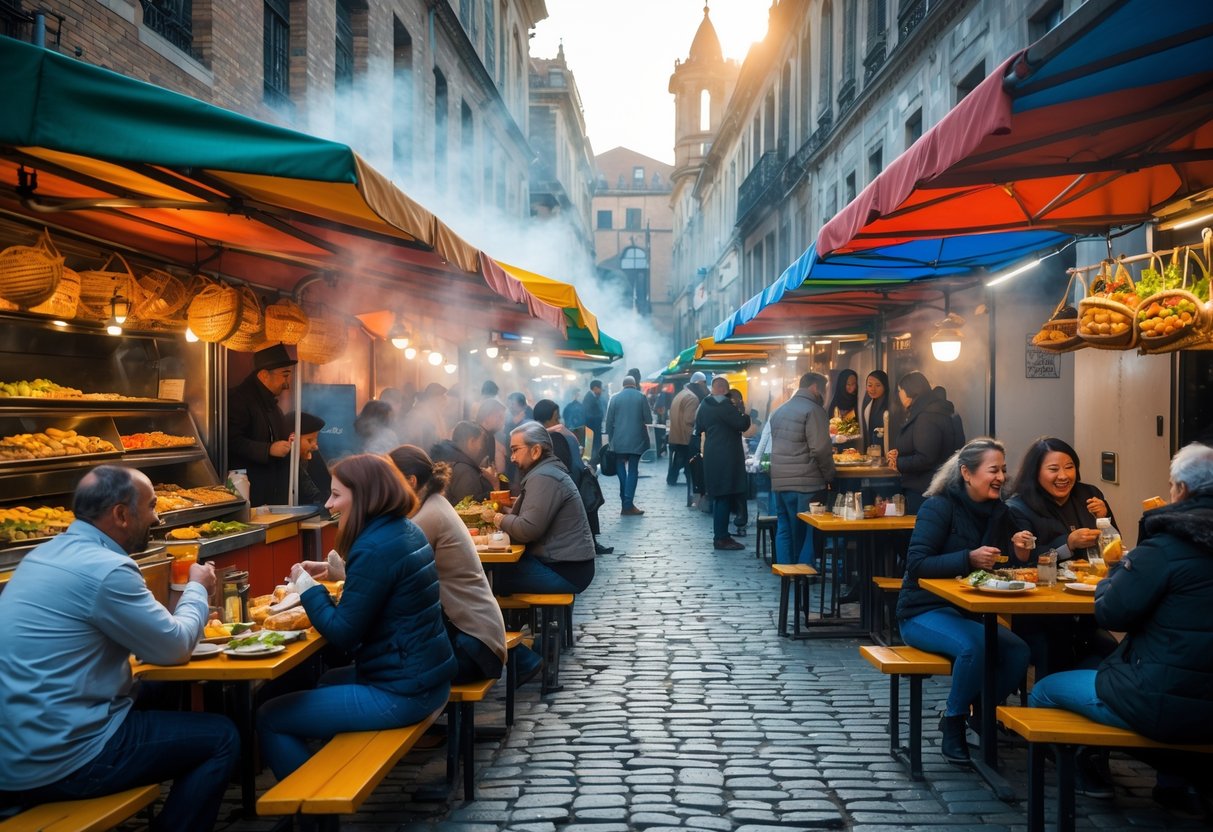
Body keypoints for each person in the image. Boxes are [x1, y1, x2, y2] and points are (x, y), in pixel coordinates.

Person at [0, 466, 238, 832]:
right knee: (221, 736)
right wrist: (197, 589)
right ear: (121, 515)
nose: (157, 518)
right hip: (62, 761)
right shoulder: (107, 568)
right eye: (152, 506)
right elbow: (174, 647)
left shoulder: (40, 556)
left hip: (15, 754)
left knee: (160, 687)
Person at [1028, 443, 1213, 814]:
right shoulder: (1024, 506)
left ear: (1180, 489)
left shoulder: (1164, 547)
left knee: (1045, 689)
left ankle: (1083, 768)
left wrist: (1116, 570)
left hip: (1162, 702)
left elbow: (1112, 612)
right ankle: (1176, 782)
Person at [261, 454, 457, 781]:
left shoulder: (375, 545)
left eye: (336, 495)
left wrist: (308, 587)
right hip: (427, 678)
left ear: (364, 495)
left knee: (269, 716)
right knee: (324, 682)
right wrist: (331, 575)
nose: (329, 503)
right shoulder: (403, 529)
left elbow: (343, 633)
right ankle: (334, 776)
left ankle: (314, 807)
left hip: (404, 693)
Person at [896, 438, 1034, 765]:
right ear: (967, 474)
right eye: (993, 470)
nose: (1001, 476)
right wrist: (967, 558)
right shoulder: (938, 507)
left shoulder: (1000, 511)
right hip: (921, 611)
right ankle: (954, 721)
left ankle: (981, 713)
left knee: (1018, 650)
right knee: (976, 647)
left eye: (1003, 469)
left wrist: (1021, 549)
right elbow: (916, 565)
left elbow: (1009, 565)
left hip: (968, 611)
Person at [480, 423, 596, 678]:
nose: (511, 457)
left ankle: (520, 658)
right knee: (489, 579)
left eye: (515, 450)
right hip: (562, 563)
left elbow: (526, 529)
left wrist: (497, 519)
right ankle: (519, 650)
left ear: (535, 451)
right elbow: (523, 519)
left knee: (482, 583)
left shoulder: (545, 478)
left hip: (565, 570)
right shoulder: (544, 473)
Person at [387, 446, 508, 684]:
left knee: (392, 671)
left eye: (389, 480)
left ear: (411, 481)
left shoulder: (429, 516)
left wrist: (341, 571)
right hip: (479, 639)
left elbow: (388, 569)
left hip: (473, 648)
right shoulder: (434, 504)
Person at [1007, 437, 1119, 678]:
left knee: (1114, 653)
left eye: (1069, 467)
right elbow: (1023, 560)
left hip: (1087, 607)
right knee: (1055, 651)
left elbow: (1114, 548)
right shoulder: (1019, 506)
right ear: (1035, 472)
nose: (1063, 476)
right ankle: (1050, 701)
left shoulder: (1089, 494)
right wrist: (1068, 544)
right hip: (1041, 615)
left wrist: (1106, 519)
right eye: (1053, 469)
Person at [767, 372, 834, 565]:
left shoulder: (779, 411)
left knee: (785, 527)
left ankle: (786, 572)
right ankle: (804, 573)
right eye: (824, 389)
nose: (825, 394)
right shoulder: (814, 410)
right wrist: (830, 475)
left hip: (780, 482)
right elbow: (820, 448)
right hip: (806, 483)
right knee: (808, 531)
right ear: (815, 387)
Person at [534, 398, 612, 555]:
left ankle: (593, 542)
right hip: (572, 480)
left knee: (588, 509)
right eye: (556, 417)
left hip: (577, 477)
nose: (559, 421)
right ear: (545, 418)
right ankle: (591, 543)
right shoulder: (550, 436)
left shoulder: (555, 434)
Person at [227, 342, 297, 505]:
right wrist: (268, 449)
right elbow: (231, 441)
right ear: (264, 375)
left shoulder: (271, 404)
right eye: (285, 375)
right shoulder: (239, 400)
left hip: (270, 493)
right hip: (249, 494)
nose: (288, 383)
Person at [887, 371, 961, 514]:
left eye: (900, 390)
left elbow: (927, 457)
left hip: (924, 489)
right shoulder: (936, 410)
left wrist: (898, 463)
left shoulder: (926, 416)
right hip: (938, 486)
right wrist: (900, 453)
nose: (899, 394)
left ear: (909, 391)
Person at [693, 376, 752, 550]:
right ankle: (721, 537)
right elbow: (742, 423)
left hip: (711, 454)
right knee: (725, 495)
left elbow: (700, 427)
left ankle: (721, 535)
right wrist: (743, 410)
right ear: (725, 390)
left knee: (719, 496)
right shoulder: (725, 406)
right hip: (727, 456)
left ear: (712, 389)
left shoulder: (704, 405)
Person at [603, 375, 652, 515]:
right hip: (637, 440)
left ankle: (625, 500)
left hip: (618, 440)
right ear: (635, 385)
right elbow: (648, 419)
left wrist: (610, 439)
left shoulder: (614, 398)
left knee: (620, 467)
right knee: (633, 470)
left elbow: (608, 422)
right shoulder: (641, 397)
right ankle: (628, 503)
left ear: (623, 385)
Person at [431, 421, 495, 504]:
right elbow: (471, 511)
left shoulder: (444, 460)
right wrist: (494, 484)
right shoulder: (465, 471)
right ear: (471, 442)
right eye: (482, 443)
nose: (482, 449)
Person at [287, 411, 331, 516]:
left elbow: (325, 487)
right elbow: (310, 493)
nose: (316, 446)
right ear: (292, 439)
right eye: (310, 440)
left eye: (316, 440)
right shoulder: (284, 463)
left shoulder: (314, 455)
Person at [667, 372, 706, 487]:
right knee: (685, 461)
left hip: (677, 436)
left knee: (679, 461)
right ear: (699, 383)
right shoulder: (692, 398)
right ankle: (690, 484)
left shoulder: (682, 394)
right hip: (685, 437)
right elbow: (689, 419)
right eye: (704, 384)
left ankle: (672, 479)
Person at [399, 383, 449, 451]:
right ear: (433, 398)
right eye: (442, 397)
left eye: (444, 397)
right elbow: (416, 440)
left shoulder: (437, 413)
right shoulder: (418, 414)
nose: (445, 401)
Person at [476, 397, 509, 479]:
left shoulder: (490, 437)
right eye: (500, 417)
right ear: (487, 416)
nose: (503, 421)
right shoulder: (476, 436)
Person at [860, 370, 891, 451]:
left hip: (887, 451)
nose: (873, 389)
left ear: (885, 386)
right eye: (869, 385)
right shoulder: (867, 401)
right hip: (871, 450)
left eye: (878, 385)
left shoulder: (890, 404)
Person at [582, 380, 606, 466]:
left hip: (594, 428)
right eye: (600, 389)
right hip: (591, 429)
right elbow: (588, 415)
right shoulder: (589, 398)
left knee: (593, 448)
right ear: (595, 388)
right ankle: (591, 466)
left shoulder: (594, 397)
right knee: (591, 449)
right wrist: (599, 417)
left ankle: (593, 463)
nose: (601, 391)